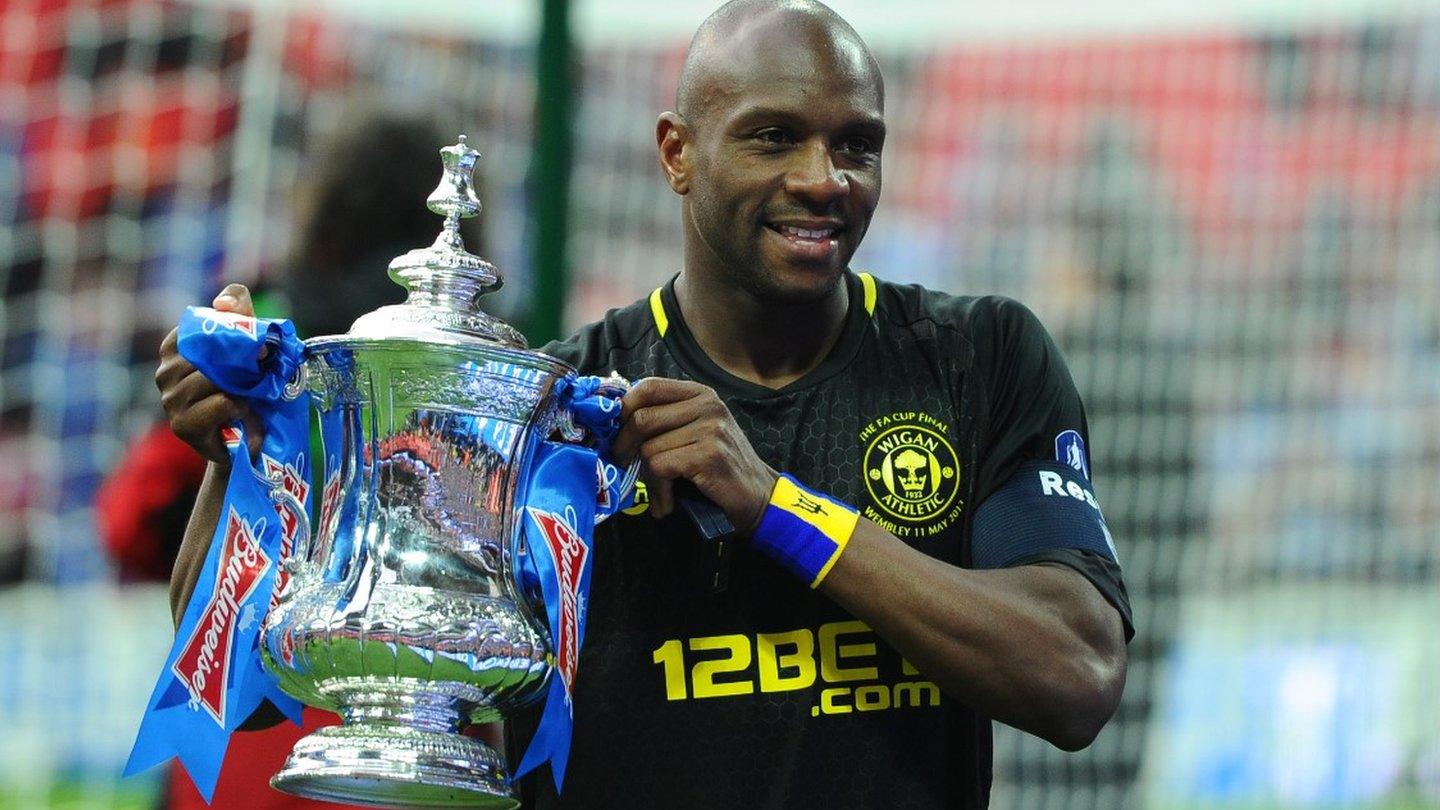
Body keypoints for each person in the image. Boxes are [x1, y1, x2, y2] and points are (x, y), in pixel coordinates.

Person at [156, 2, 1133, 807]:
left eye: (857, 145)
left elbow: (1076, 676)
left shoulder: (981, 357)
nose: (823, 178)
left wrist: (773, 506)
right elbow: (247, 693)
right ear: (677, 153)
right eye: (773, 138)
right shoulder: (544, 418)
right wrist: (231, 451)